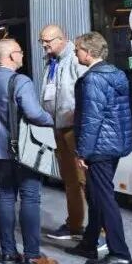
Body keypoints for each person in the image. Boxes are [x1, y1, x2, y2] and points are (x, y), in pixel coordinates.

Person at [0, 39, 58, 264]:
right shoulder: (21, 80)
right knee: (30, 197)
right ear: (11, 55)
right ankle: (32, 255)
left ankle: (8, 252)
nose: (23, 55)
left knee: (5, 195)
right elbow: (33, 113)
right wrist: (51, 118)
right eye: (20, 52)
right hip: (22, 149)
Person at [67, 32, 132, 264]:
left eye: (77, 49)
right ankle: (89, 243)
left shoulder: (93, 79)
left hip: (99, 147)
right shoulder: (116, 74)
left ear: (88, 52)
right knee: (96, 195)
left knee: (104, 199)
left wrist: (83, 152)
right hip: (114, 144)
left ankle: (120, 253)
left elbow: (91, 119)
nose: (75, 53)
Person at [38, 25, 89, 241]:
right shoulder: (51, 62)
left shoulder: (75, 59)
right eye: (42, 41)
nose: (44, 45)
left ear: (62, 39)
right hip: (59, 127)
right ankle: (75, 225)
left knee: (85, 179)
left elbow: (87, 91)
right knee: (70, 180)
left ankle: (100, 228)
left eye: (47, 41)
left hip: (75, 128)